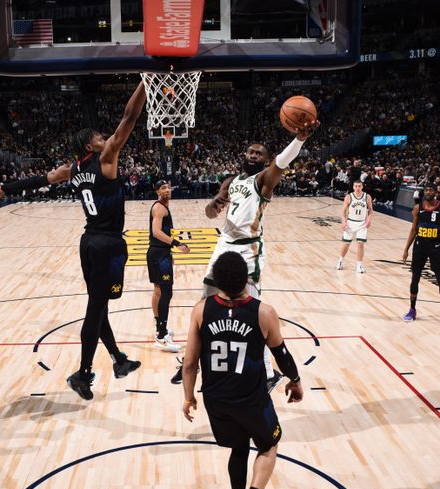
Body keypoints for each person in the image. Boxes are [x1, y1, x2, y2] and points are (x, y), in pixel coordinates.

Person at [0, 82, 147, 401]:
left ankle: (118, 360)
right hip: (107, 244)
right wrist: (145, 83)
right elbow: (129, 117)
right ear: (91, 144)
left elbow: (39, 181)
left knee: (100, 308)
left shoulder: (71, 170)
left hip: (89, 242)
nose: (105, 138)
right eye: (99, 137)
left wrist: (5, 189)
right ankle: (83, 374)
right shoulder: (107, 157)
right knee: (95, 308)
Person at [174, 120, 317, 388]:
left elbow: (281, 164)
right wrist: (213, 205)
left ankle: (268, 373)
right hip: (224, 243)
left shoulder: (263, 180)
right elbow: (209, 212)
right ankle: (193, 360)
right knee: (205, 303)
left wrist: (299, 139)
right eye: (250, 152)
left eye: (258, 153)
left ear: (264, 160)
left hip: (248, 248)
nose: (253, 155)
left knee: (251, 311)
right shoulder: (231, 181)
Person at [182, 251, 303, 489]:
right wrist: (295, 380)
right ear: (247, 280)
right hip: (250, 398)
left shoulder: (201, 310)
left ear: (217, 281)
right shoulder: (264, 312)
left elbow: (189, 362)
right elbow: (281, 355)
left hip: (216, 399)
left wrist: (188, 397)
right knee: (269, 445)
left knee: (238, 448)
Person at [401, 183, 440, 325]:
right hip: (420, 246)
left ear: (435, 192)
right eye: (426, 190)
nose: (428, 192)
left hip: (436, 247)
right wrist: (406, 249)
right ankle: (412, 310)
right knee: (415, 278)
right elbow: (413, 230)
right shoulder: (418, 208)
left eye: (430, 190)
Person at [148, 179, 190, 352]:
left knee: (158, 291)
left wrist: (169, 252)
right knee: (166, 292)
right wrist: (176, 244)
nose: (167, 190)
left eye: (168, 187)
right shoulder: (159, 207)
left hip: (160, 254)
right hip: (158, 255)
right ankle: (162, 336)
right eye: (163, 188)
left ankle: (160, 329)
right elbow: (156, 232)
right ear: (158, 191)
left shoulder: (164, 207)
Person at [336, 179, 373, 273]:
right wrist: (343, 222)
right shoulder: (348, 197)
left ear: (362, 186)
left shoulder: (367, 197)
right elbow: (344, 211)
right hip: (350, 223)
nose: (357, 188)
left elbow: (371, 210)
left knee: (360, 244)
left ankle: (359, 265)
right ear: (353, 187)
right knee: (346, 244)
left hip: (362, 223)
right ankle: (340, 260)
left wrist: (369, 220)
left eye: (359, 186)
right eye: (356, 186)